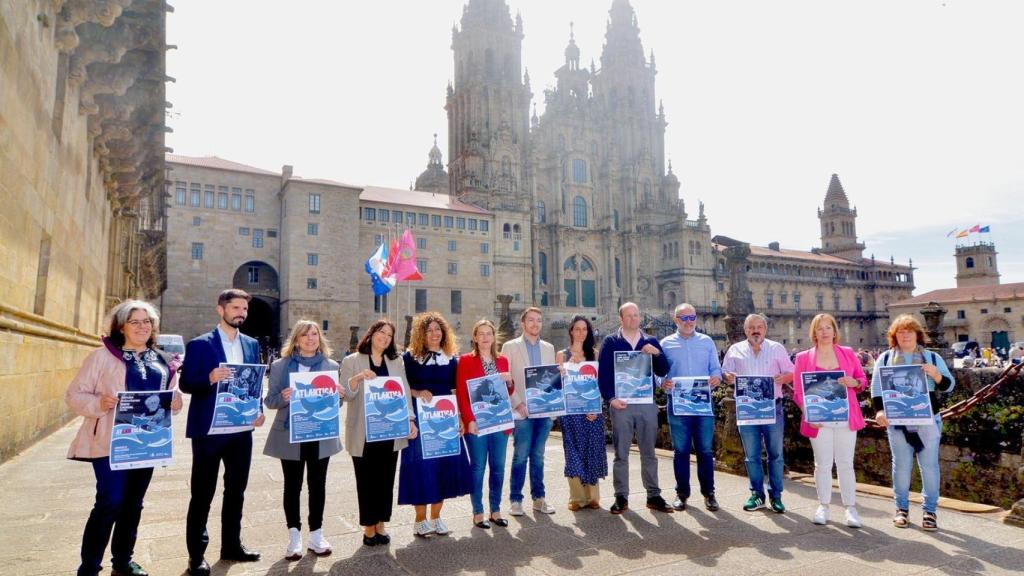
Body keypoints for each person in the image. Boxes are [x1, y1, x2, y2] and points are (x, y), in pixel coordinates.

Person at [66, 300, 183, 576]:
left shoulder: (162, 361)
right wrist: (100, 403)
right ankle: (90, 566)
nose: (143, 327)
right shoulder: (102, 357)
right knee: (110, 501)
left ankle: (122, 563)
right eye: (135, 321)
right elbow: (75, 395)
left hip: (147, 445)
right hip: (110, 443)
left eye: (147, 322)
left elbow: (169, 399)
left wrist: (176, 403)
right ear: (121, 326)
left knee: (133, 505)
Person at [180, 289, 265, 576]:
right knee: (202, 493)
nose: (241, 312)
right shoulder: (200, 345)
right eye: (236, 307)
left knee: (236, 491)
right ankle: (196, 555)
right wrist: (209, 378)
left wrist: (258, 409)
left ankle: (231, 545)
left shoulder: (252, 344)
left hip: (241, 431)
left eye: (244, 308)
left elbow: (253, 381)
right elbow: (186, 384)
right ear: (221, 310)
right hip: (209, 431)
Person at [263, 320, 342, 560]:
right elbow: (270, 401)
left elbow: (334, 404)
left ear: (320, 338)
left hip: (320, 434)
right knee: (292, 486)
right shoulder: (280, 366)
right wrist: (284, 397)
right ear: (296, 339)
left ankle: (316, 534)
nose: (310, 339)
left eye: (314, 334)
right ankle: (294, 535)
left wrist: (339, 396)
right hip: (291, 435)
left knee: (318, 485)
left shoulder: (331, 365)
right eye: (305, 335)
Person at [871, 314, 955, 531]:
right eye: (901, 331)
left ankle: (930, 511)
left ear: (918, 334)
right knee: (901, 466)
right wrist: (879, 411)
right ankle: (901, 509)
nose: (905, 335)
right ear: (894, 336)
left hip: (927, 419)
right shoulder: (886, 359)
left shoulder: (932, 358)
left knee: (929, 466)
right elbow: (877, 389)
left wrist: (936, 375)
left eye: (909, 331)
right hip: (897, 421)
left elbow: (949, 385)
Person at [340, 319, 418, 546]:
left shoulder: (396, 362)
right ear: (372, 333)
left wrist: (410, 419)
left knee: (385, 480)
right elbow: (346, 395)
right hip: (363, 433)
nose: (385, 337)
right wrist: (357, 379)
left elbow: (404, 392)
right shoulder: (351, 361)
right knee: (366, 481)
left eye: (389, 335)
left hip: (390, 430)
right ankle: (368, 528)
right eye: (381, 332)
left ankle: (381, 523)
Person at [399, 312, 473, 537]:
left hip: (445, 420)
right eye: (429, 330)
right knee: (422, 468)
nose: (434, 334)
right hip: (421, 422)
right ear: (422, 333)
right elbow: (402, 388)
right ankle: (420, 519)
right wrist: (418, 392)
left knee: (443, 467)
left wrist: (460, 416)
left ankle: (436, 517)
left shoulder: (451, 359)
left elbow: (455, 390)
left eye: (438, 329)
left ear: (444, 333)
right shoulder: (409, 358)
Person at [792, 314, 868, 528]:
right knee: (822, 464)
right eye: (819, 328)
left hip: (845, 417)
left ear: (835, 331)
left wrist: (853, 382)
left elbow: (862, 381)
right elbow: (798, 393)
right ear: (813, 333)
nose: (824, 332)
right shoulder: (803, 358)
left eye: (828, 328)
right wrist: (809, 413)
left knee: (845, 464)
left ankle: (850, 507)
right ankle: (823, 505)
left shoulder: (848, 353)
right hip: (818, 420)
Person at [597, 302, 672, 514]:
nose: (633, 319)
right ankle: (621, 496)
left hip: (646, 404)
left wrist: (656, 353)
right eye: (628, 316)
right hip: (621, 405)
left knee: (649, 452)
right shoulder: (611, 342)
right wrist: (610, 398)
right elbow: (603, 374)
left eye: (636, 315)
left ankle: (653, 494)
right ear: (621, 319)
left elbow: (664, 369)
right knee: (621, 453)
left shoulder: (650, 340)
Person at [722, 313, 794, 514]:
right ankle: (757, 495)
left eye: (759, 327)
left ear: (765, 329)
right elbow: (725, 373)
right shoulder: (735, 350)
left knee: (776, 455)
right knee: (751, 455)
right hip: (747, 410)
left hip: (773, 408)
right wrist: (728, 376)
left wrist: (784, 377)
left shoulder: (777, 349)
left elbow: (792, 372)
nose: (755, 330)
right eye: (751, 327)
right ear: (745, 331)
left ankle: (776, 496)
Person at [659, 303, 723, 512]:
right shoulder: (665, 344)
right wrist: (662, 383)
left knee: (705, 450)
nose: (689, 322)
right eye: (684, 318)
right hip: (677, 405)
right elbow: (657, 372)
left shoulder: (707, 342)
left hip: (703, 406)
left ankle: (709, 493)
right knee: (681, 451)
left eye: (692, 317)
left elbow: (716, 368)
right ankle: (682, 494)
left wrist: (716, 378)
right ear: (676, 320)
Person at [455, 319, 514, 528]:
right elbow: (462, 393)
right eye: (481, 333)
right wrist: (469, 420)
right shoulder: (465, 361)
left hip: (499, 423)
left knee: (497, 468)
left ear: (494, 337)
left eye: (489, 333)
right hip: (477, 424)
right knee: (478, 467)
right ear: (475, 337)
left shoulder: (503, 360)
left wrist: (509, 381)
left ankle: (495, 510)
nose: (485, 337)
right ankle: (478, 511)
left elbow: (507, 393)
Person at [501, 307, 557, 516]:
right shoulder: (510, 346)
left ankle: (539, 498)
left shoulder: (548, 347)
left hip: (543, 412)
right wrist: (517, 404)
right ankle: (516, 500)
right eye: (531, 320)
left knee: (539, 456)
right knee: (520, 456)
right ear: (523, 324)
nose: (535, 324)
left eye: (538, 320)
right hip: (522, 411)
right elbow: (506, 379)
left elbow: (550, 380)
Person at [555, 315, 608, 511]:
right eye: (577, 329)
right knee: (573, 453)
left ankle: (593, 497)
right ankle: (577, 498)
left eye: (584, 329)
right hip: (570, 413)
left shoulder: (595, 355)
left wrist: (597, 409)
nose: (580, 332)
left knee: (592, 452)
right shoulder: (562, 355)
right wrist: (560, 373)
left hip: (591, 413)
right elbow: (557, 386)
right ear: (570, 331)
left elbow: (599, 385)